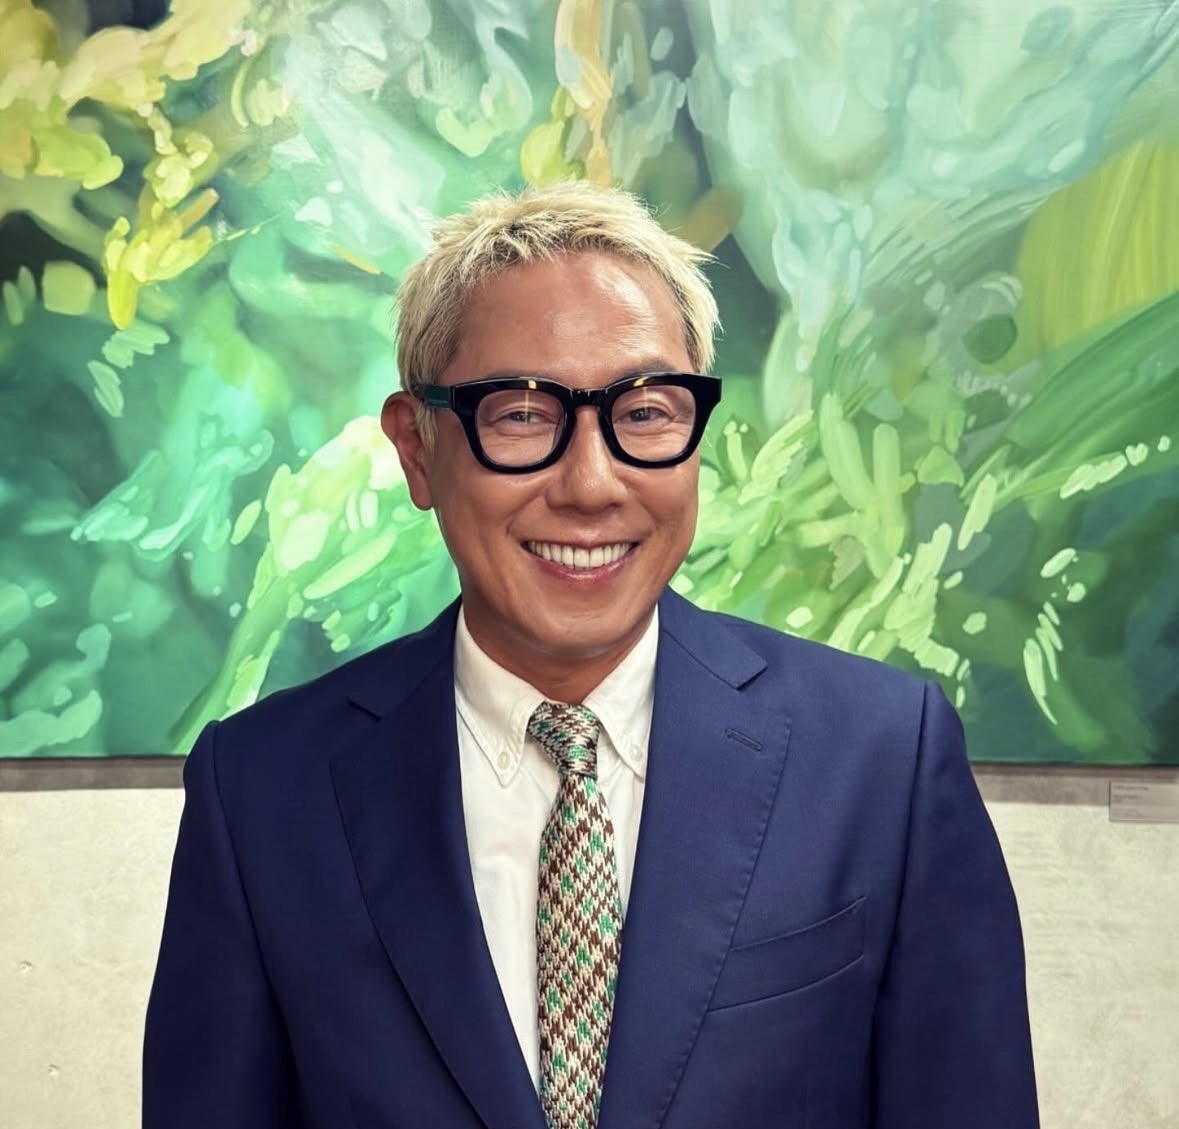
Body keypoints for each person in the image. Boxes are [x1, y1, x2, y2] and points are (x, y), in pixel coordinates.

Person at [143, 181, 1039, 1129]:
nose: (591, 484)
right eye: (520, 415)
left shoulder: (880, 759)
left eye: (646, 412)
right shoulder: (262, 792)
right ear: (417, 447)